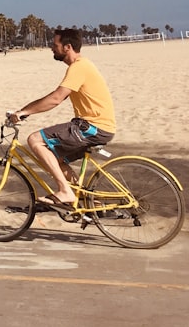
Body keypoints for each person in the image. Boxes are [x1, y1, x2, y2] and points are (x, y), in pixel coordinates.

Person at [7, 28, 116, 209]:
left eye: (55, 45)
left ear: (67, 47)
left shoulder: (79, 67)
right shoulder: (81, 66)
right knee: (54, 158)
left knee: (35, 140)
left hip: (93, 127)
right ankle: (87, 200)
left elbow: (55, 99)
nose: (51, 48)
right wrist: (24, 110)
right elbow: (56, 97)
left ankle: (65, 191)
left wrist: (23, 113)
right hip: (97, 127)